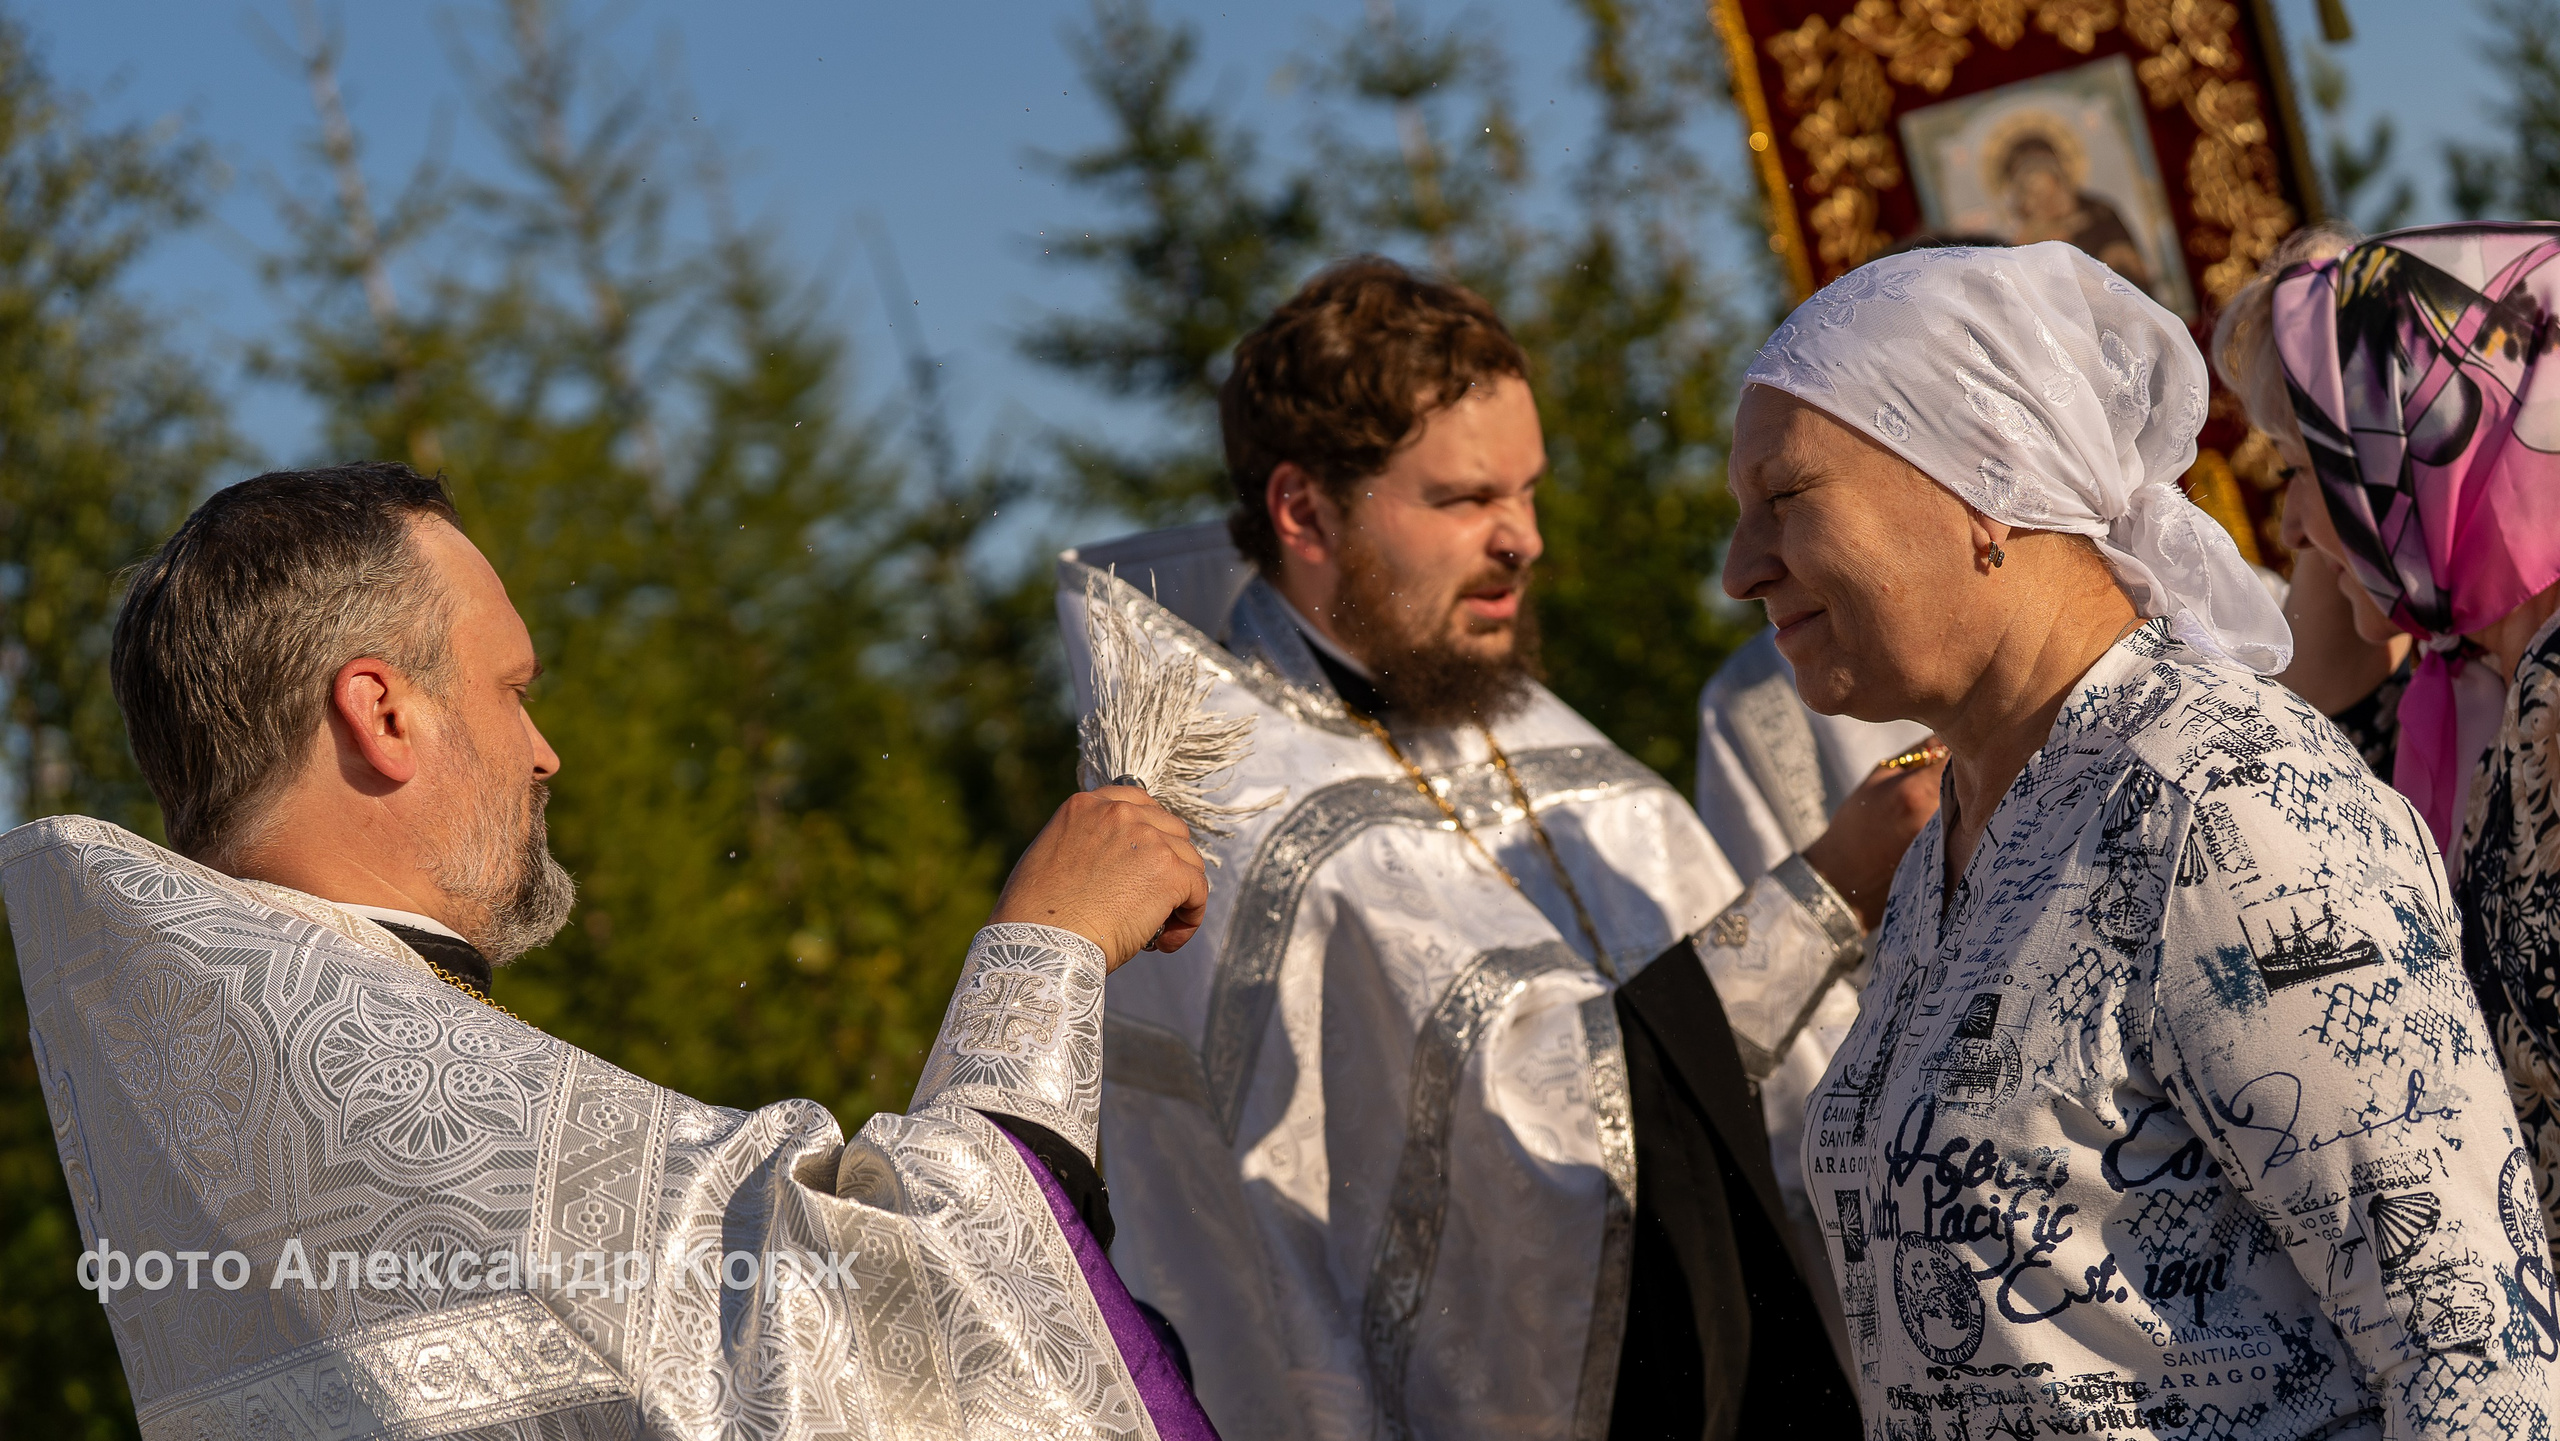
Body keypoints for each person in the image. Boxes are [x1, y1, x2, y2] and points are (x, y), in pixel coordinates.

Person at [7, 463, 1222, 1437]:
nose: (544, 752)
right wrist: (1045, 946)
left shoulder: (210, 1097)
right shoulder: (391, 1103)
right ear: (382, 713)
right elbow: (883, 1331)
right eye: (511, 689)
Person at [1059, 257, 1936, 1441]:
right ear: (1303, 511)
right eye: (1466, 499)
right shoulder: (1229, 814)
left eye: (1527, 490)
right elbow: (1518, 1159)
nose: (1523, 539)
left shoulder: (1520, 723)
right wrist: (1828, 888)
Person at [1730, 241, 2552, 1435]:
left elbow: (2471, 1350)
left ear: (1985, 479)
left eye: (1787, 496)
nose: (1738, 570)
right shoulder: (1955, 840)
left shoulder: (2223, 797)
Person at [2221, 222, 2560, 1266]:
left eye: (2299, 467)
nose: (2287, 529)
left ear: (2406, 449)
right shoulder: (2473, 686)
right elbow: (2311, 705)